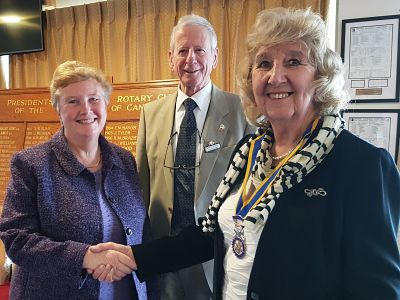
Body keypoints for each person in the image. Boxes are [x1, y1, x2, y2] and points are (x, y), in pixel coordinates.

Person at [92, 7, 400, 300]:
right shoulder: (249, 152)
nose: (275, 77)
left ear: (321, 76)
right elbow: (207, 236)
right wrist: (134, 256)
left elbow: (378, 291)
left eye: (294, 61)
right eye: (264, 63)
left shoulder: (362, 166)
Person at [0, 61, 156, 299]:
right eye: (73, 101)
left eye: (94, 99)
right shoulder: (31, 164)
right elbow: (16, 239)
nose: (86, 109)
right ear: (58, 110)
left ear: (105, 104)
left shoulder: (124, 161)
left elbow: (141, 233)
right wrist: (85, 257)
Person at [135, 14, 254, 299]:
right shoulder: (150, 115)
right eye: (183, 50)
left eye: (200, 50)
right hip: (165, 255)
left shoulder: (242, 111)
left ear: (214, 57)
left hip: (218, 254)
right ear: (170, 58)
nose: (191, 59)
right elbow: (142, 188)